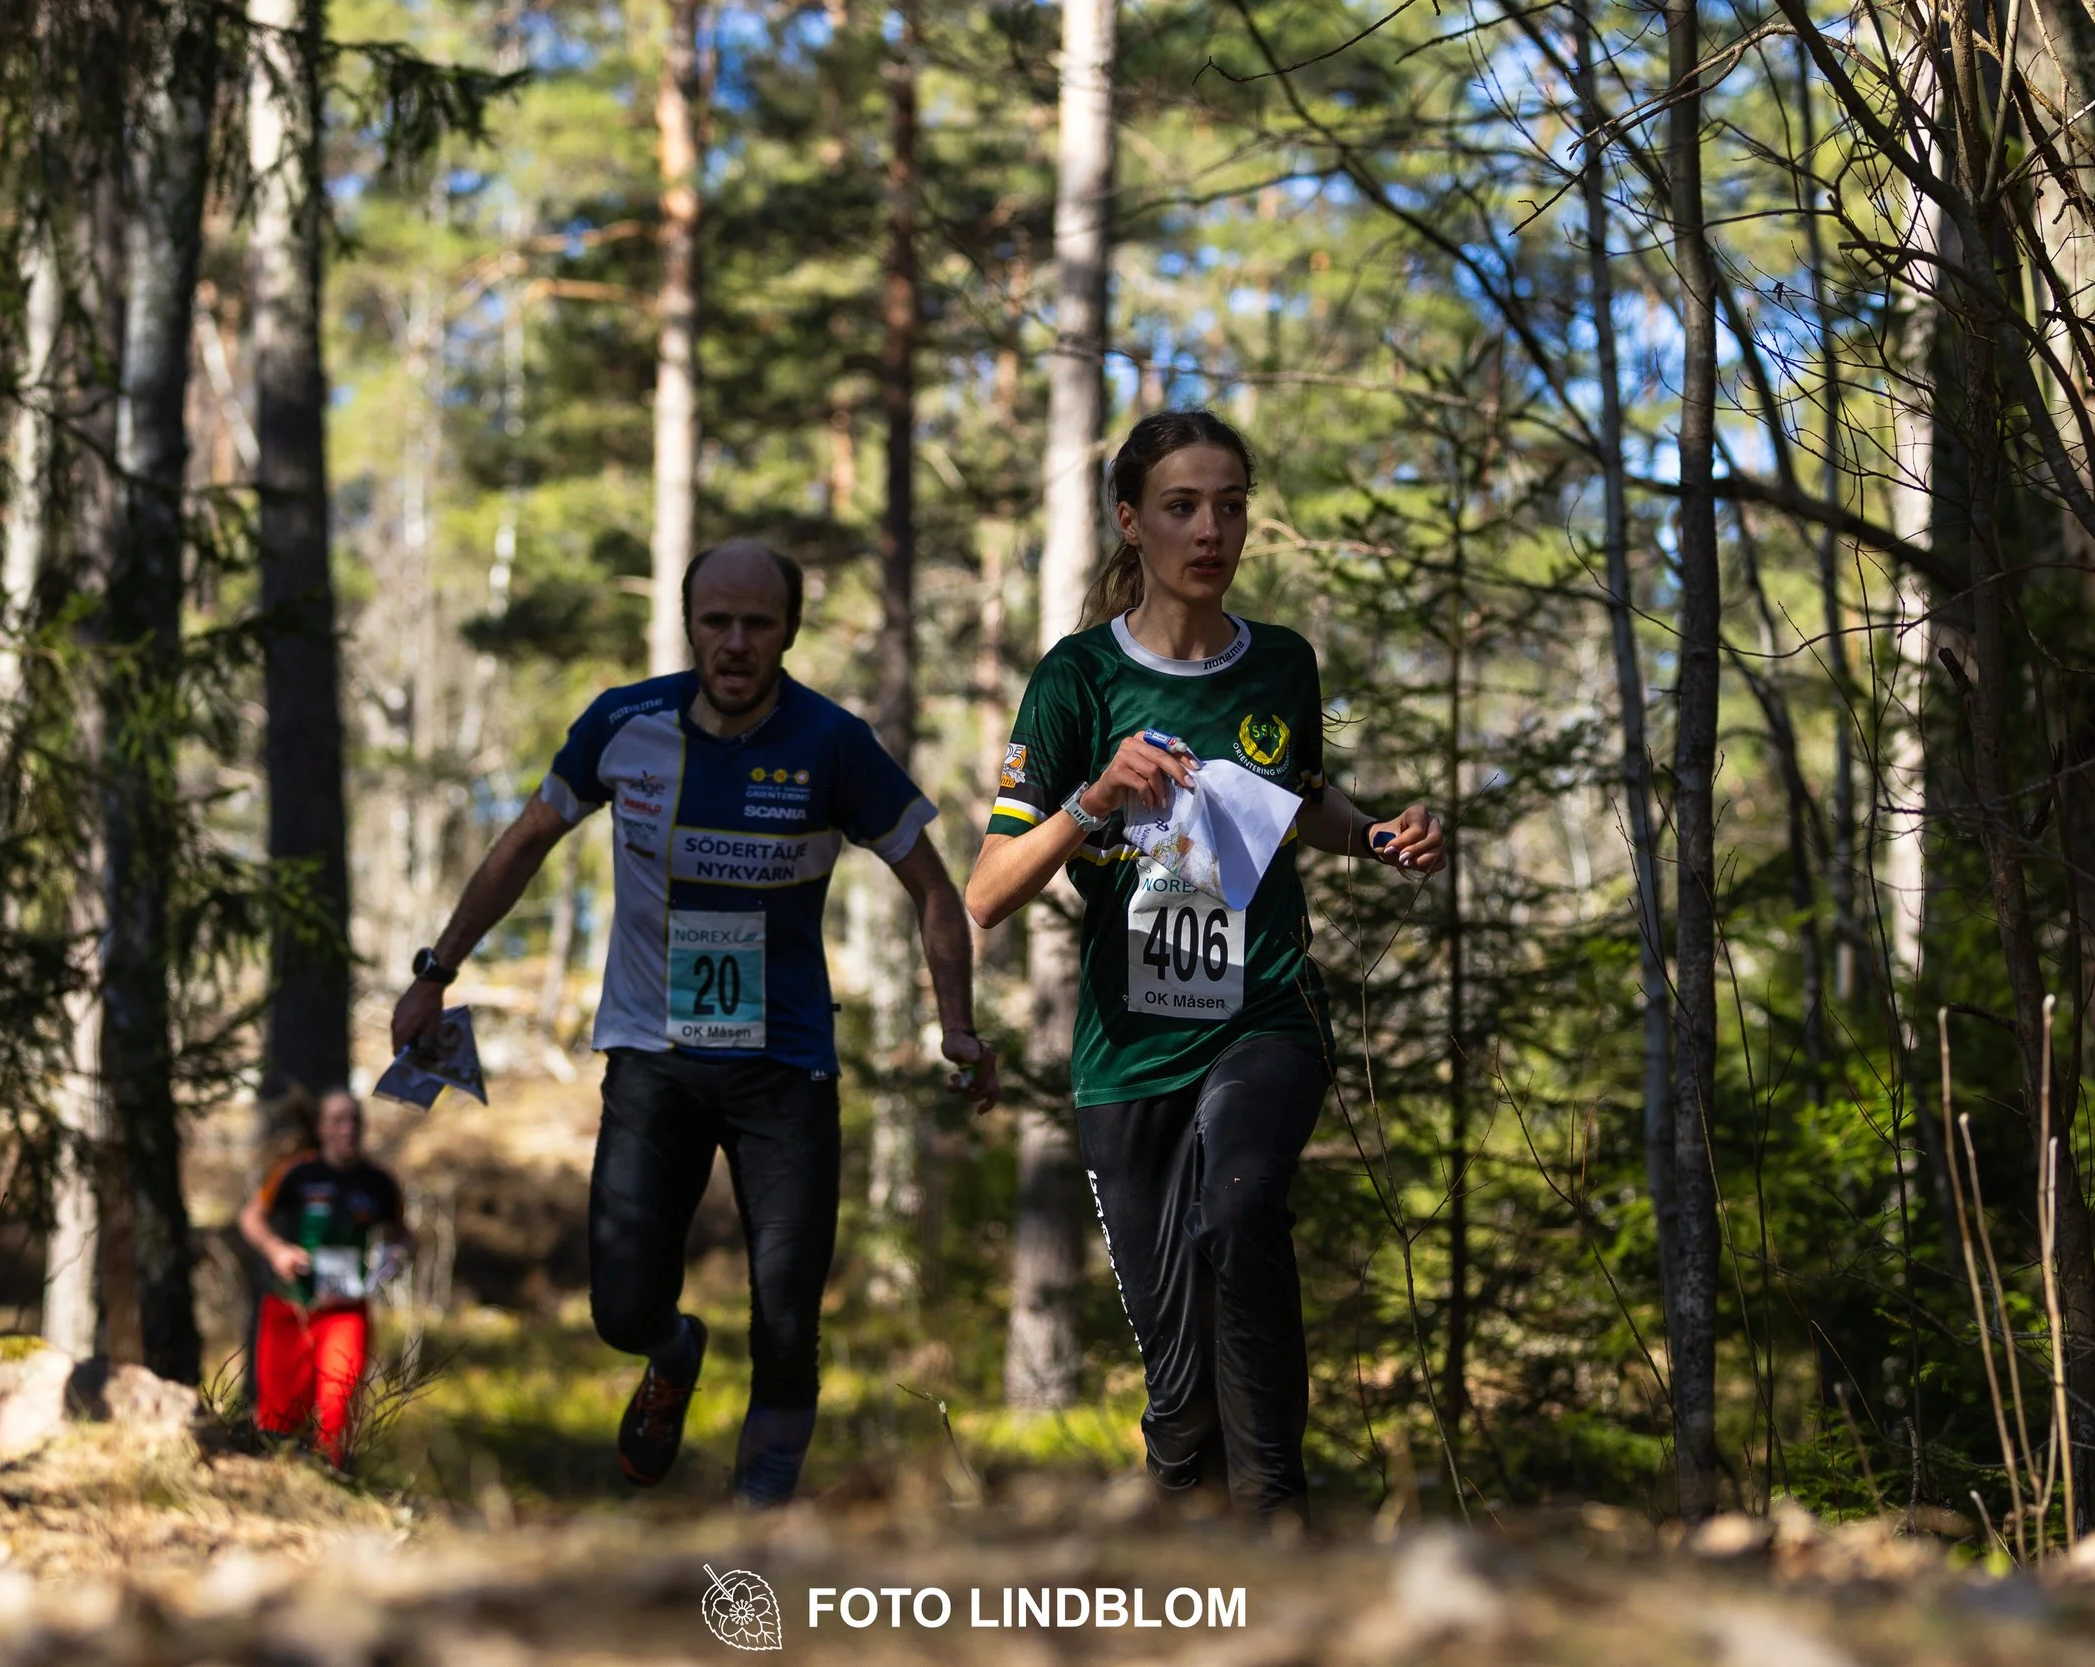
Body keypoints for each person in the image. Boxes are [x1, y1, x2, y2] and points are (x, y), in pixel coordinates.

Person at [391, 538, 999, 1507]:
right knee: (622, 1305)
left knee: (789, 1317)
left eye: (757, 623)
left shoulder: (830, 742)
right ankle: (673, 1353)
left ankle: (757, 1523)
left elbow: (929, 883)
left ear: (788, 633)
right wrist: (437, 967)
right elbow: (524, 843)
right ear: (689, 623)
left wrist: (956, 1023)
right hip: (652, 1057)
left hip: (785, 1067)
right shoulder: (621, 722)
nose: (735, 642)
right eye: (716, 620)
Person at [966, 410, 1446, 1522]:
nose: (1210, 527)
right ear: (1131, 523)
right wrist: (1095, 798)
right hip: (1129, 1048)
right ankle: (1193, 1529)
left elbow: (1301, 800)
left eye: (1229, 503)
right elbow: (988, 890)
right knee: (1180, 1403)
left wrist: (1378, 833)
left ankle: (1280, 1519)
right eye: (1181, 506)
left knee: (1240, 1207)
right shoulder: (1076, 678)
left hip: (1263, 1011)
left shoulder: (1279, 663)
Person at [238, 1089, 414, 1465]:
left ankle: (337, 1479)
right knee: (279, 1414)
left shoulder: (378, 1182)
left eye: (354, 1120)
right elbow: (250, 1219)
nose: (347, 1129)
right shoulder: (297, 1173)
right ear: (321, 1129)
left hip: (345, 1309)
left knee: (340, 1403)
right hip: (289, 1305)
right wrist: (277, 1251)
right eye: (337, 1121)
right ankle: (281, 1484)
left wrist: (397, 1255)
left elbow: (404, 1235)